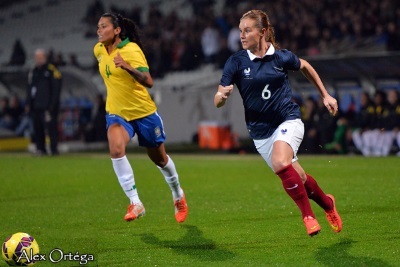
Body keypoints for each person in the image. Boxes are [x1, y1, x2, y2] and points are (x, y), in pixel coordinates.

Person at [214, 10, 342, 237]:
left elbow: (305, 66)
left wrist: (325, 95)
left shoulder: (281, 57)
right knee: (299, 178)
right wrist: (222, 97)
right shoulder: (236, 62)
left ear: (262, 32)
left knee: (280, 162)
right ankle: (328, 205)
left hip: (288, 119)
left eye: (247, 30)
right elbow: (217, 100)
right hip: (260, 132)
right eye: (241, 30)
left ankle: (308, 216)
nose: (241, 35)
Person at [94, 12, 188, 223]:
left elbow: (149, 81)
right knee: (116, 149)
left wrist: (127, 67)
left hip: (143, 113)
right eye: (98, 27)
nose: (99, 30)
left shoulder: (131, 50)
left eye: (103, 26)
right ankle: (135, 202)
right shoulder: (98, 50)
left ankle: (178, 194)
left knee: (160, 159)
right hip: (117, 113)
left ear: (117, 30)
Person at [26, 49, 62, 155]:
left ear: (45, 58)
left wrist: (52, 106)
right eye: (37, 58)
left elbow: (56, 89)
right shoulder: (33, 71)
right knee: (38, 128)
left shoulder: (52, 70)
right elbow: (29, 88)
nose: (38, 60)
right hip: (36, 106)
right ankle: (41, 149)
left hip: (48, 107)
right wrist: (28, 103)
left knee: (51, 128)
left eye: (40, 57)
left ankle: (54, 150)